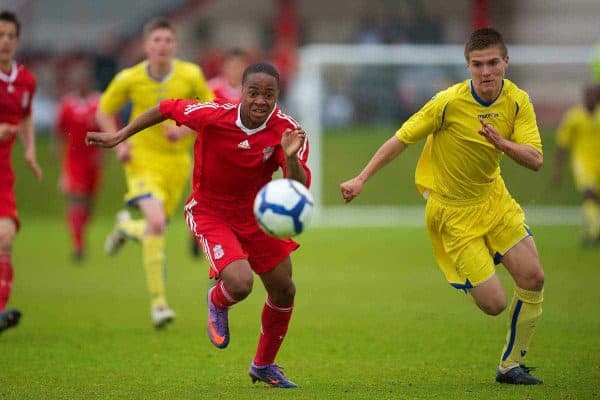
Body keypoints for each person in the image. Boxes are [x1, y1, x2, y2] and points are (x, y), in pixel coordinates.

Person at [340, 28, 545, 385]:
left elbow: (536, 159)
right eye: (477, 64)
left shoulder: (517, 101)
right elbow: (400, 139)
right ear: (468, 66)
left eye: (493, 62)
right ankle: (468, 272)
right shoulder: (447, 102)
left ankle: (510, 365)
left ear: (505, 62)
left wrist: (504, 144)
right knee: (494, 305)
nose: (486, 71)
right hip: (451, 213)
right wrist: (361, 178)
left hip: (494, 199)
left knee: (533, 277)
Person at [87, 62, 310, 388]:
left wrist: (290, 157)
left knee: (284, 289)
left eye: (269, 95)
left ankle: (264, 365)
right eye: (254, 93)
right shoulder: (213, 115)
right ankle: (218, 300)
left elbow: (298, 188)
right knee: (240, 283)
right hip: (210, 211)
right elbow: (164, 108)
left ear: (278, 96)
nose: (261, 101)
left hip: (255, 215)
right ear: (242, 93)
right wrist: (121, 135)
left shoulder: (286, 131)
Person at [96, 17, 214, 329]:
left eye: (167, 41)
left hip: (176, 165)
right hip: (141, 159)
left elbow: (210, 111)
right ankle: (159, 304)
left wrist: (186, 133)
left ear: (175, 46)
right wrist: (119, 142)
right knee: (157, 222)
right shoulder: (129, 78)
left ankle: (125, 228)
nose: (162, 46)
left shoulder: (191, 75)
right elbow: (103, 110)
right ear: (146, 46)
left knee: (154, 227)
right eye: (156, 41)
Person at [0, 11, 42, 333]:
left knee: (6, 236)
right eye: (0, 35)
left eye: (10, 35)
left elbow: (26, 117)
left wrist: (29, 150)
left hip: (4, 172)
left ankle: (0, 310)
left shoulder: (26, 80)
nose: (5, 41)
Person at [187, 47, 249, 259]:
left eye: (240, 66)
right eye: (232, 65)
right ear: (224, 67)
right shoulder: (210, 89)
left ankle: (226, 266)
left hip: (241, 163)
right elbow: (193, 116)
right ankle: (197, 235)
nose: (236, 69)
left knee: (235, 217)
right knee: (208, 206)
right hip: (211, 160)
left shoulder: (251, 93)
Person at [54, 66, 104, 261]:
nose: (81, 83)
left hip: (92, 161)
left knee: (89, 205)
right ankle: (78, 245)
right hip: (74, 160)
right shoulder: (67, 104)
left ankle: (80, 234)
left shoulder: (98, 103)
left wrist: (103, 153)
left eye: (84, 80)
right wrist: (57, 150)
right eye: (78, 80)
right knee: (77, 199)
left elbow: (108, 127)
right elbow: (59, 130)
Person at [552, 85, 600, 246]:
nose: (592, 98)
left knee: (594, 200)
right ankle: (594, 233)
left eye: (595, 95)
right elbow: (562, 143)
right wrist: (558, 170)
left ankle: (588, 231)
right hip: (582, 162)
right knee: (589, 193)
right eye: (589, 95)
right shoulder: (574, 117)